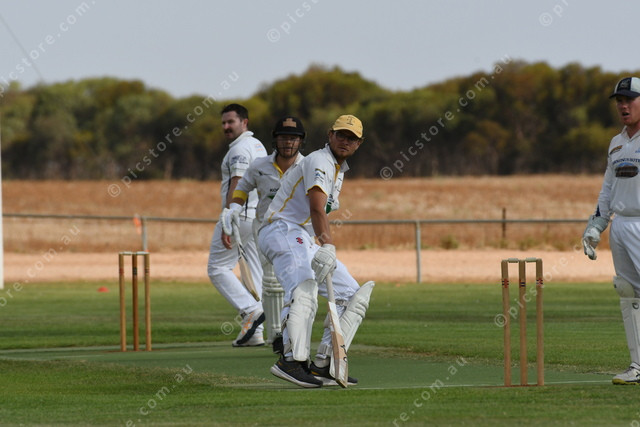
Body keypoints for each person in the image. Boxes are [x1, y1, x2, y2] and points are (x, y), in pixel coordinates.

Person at [258, 114, 375, 388]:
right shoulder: (320, 161)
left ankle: (325, 363)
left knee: (351, 294)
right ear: (330, 135)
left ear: (359, 143)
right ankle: (289, 361)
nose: (345, 141)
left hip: (302, 236)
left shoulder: (337, 169)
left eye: (352, 138)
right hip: (282, 229)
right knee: (303, 288)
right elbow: (316, 208)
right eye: (341, 135)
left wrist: (321, 243)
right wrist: (328, 245)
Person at [220, 116, 306, 353]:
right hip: (266, 230)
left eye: (293, 138)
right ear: (275, 140)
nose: (288, 143)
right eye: (283, 138)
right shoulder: (259, 166)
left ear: (300, 141)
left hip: (299, 232)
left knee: (297, 283)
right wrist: (233, 208)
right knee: (271, 282)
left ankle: (293, 332)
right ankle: (277, 335)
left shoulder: (308, 166)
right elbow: (242, 188)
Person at [582, 76, 640, 385]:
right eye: (619, 101)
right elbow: (608, 189)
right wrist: (596, 225)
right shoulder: (616, 143)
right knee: (627, 291)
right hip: (621, 224)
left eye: (629, 99)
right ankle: (637, 366)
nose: (623, 106)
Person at [207, 103, 267, 347]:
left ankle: (251, 310)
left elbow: (238, 182)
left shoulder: (239, 149)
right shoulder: (257, 145)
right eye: (223, 123)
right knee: (253, 272)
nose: (226, 127)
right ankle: (257, 332)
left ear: (245, 122)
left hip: (240, 216)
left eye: (231, 122)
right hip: (256, 218)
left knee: (217, 268)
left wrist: (227, 219)